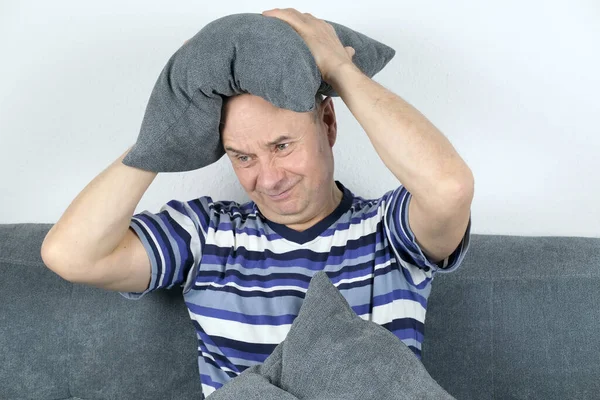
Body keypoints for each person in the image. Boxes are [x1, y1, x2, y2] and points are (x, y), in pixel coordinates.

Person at [41, 8, 474, 398]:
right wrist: (163, 132)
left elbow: (449, 189)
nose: (266, 178)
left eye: (282, 145)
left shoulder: (390, 230)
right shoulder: (205, 233)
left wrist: (341, 68)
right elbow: (71, 256)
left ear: (327, 123)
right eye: (243, 156)